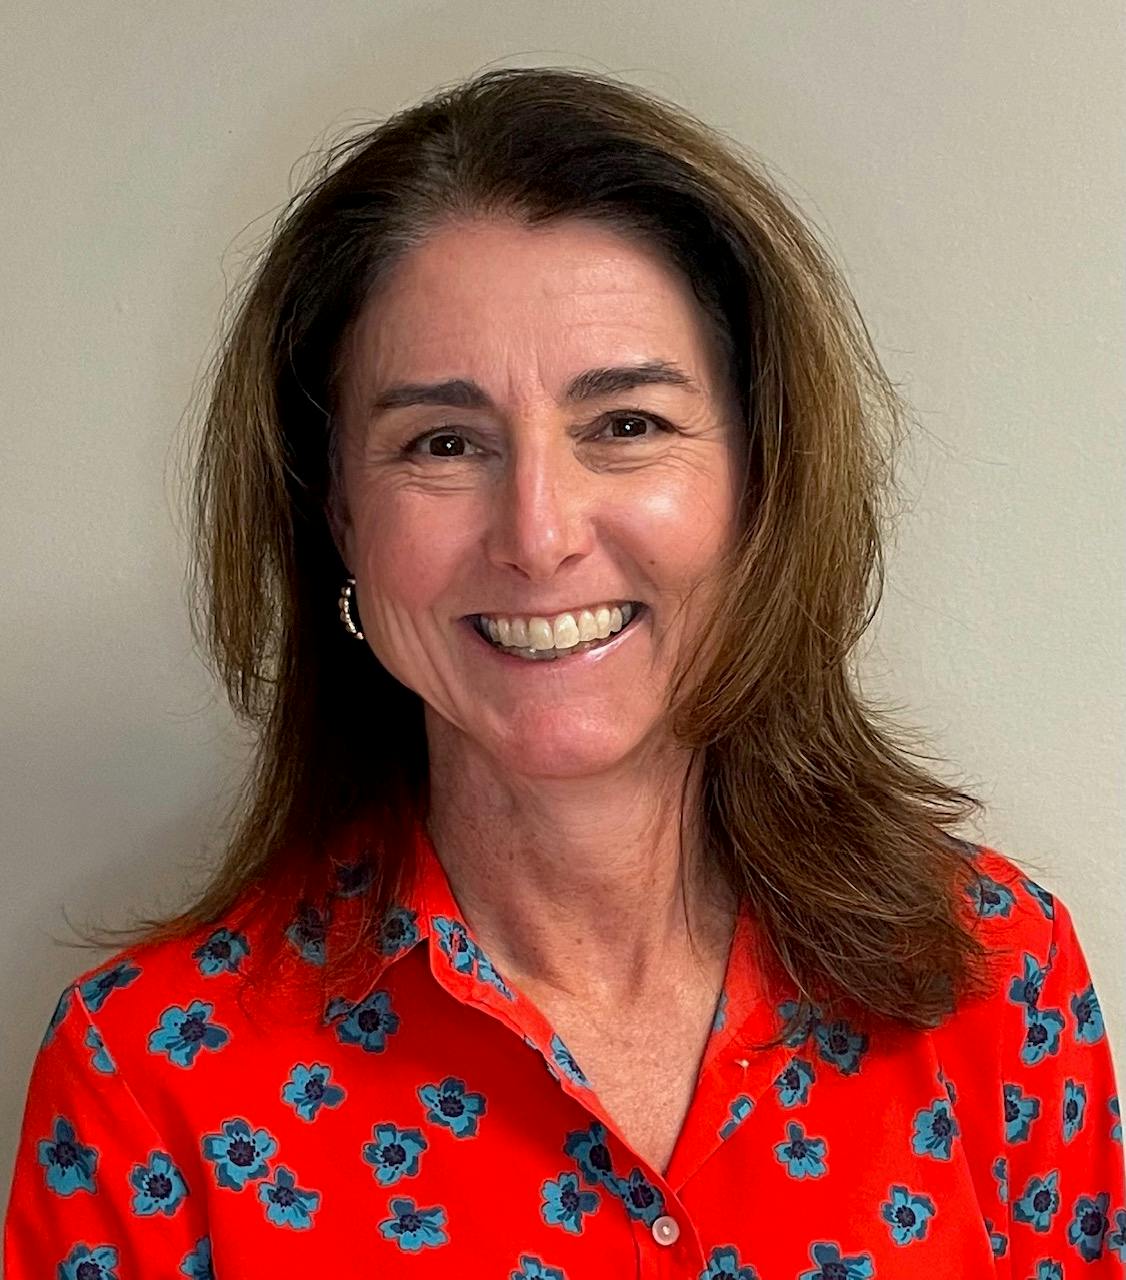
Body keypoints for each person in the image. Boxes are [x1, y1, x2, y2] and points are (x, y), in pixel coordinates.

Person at [4, 65, 1123, 1279]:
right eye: (443, 442)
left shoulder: (993, 977)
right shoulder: (148, 1080)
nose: (537, 534)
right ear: (339, 516)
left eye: (626, 425)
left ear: (761, 481)